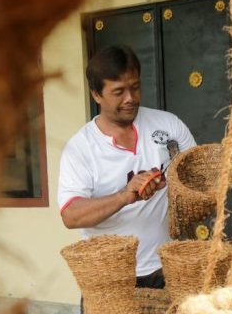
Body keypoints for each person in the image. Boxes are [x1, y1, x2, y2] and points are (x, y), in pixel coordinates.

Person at [58, 45, 196, 289]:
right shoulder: (80, 148)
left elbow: (196, 177)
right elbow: (71, 215)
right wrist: (125, 196)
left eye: (135, 87)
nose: (130, 98)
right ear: (96, 95)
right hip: (108, 277)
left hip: (166, 269)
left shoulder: (168, 124)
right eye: (118, 91)